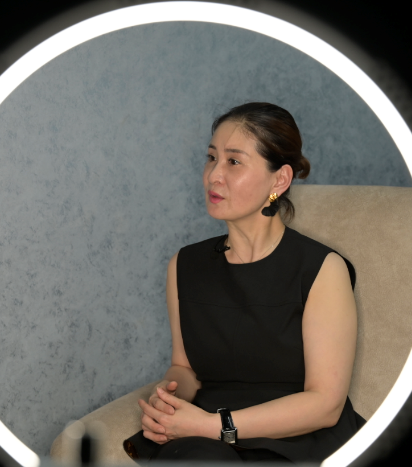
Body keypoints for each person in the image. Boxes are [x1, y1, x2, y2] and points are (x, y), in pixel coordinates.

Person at [123, 102, 365, 464]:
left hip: (300, 440)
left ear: (279, 180)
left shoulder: (322, 269)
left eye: (234, 162)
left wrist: (214, 425)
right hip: (206, 444)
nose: (213, 176)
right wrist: (169, 398)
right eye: (211, 158)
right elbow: (184, 368)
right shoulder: (184, 265)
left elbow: (325, 405)